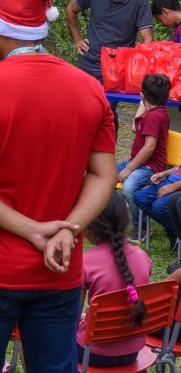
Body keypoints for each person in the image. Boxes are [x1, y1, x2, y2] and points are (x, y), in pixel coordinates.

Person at [0, 0, 116, 371]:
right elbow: (105, 175)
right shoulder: (90, 89)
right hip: (59, 270)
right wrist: (67, 229)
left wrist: (33, 231)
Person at [65, 0, 153, 129]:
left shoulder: (140, 0)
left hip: (115, 71)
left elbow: (147, 40)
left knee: (106, 116)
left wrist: (137, 67)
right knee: (79, 112)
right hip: (88, 64)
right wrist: (77, 39)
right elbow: (71, 10)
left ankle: (106, 155)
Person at [76, 192, 151, 367]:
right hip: (133, 352)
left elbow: (71, 315)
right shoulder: (142, 256)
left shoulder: (85, 262)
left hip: (91, 353)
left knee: (32, 340)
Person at [117, 74, 170, 225]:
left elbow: (149, 148)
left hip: (150, 167)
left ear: (142, 94)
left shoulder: (154, 117)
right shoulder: (155, 112)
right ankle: (115, 216)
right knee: (106, 176)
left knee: (129, 187)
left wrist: (128, 169)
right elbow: (135, 128)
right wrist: (143, 102)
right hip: (137, 162)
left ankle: (141, 226)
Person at [132, 159, 181, 248]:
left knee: (159, 207)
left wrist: (174, 186)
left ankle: (175, 231)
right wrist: (164, 174)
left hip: (177, 186)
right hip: (171, 180)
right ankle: (173, 229)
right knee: (140, 198)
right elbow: (179, 168)